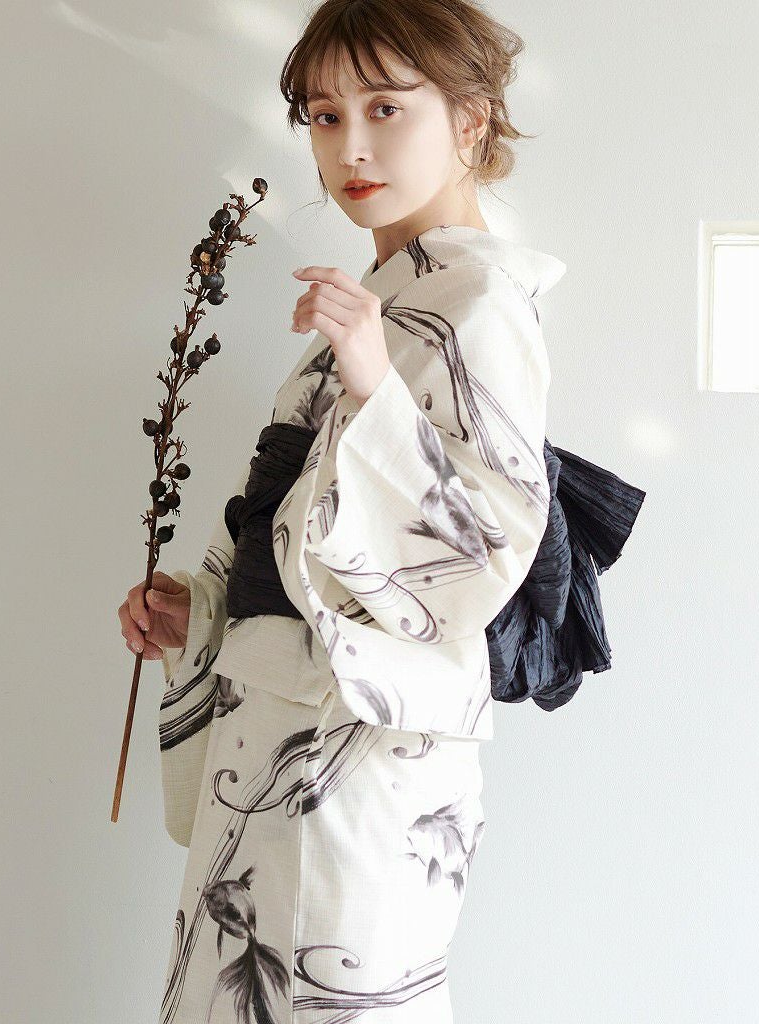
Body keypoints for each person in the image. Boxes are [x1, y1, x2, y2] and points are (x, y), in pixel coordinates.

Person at [118, 2, 567, 1020]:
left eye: (383, 108)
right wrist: (206, 614)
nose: (349, 147)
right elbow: (296, 532)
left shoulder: (480, 303)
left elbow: (481, 557)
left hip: (358, 761)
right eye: (323, 116)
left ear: (470, 119)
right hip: (276, 738)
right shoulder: (386, 297)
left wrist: (372, 380)